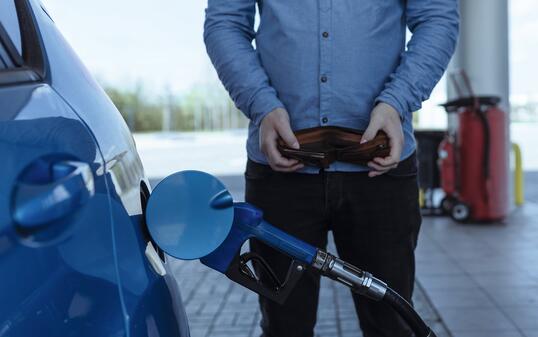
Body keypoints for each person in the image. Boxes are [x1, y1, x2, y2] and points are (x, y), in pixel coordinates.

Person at [204, 1, 459, 336]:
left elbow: (437, 16)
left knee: (390, 326)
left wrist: (397, 101)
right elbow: (225, 22)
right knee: (284, 328)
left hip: (379, 171)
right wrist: (261, 105)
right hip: (280, 169)